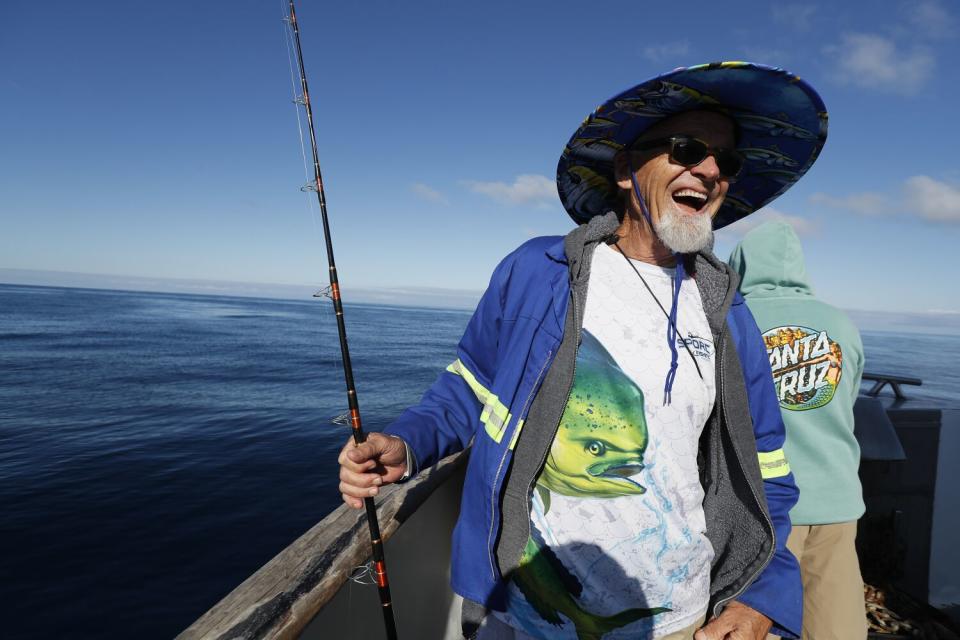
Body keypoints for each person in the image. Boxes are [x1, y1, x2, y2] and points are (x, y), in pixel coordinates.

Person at [339, 62, 829, 640]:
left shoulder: (729, 312)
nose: (711, 169)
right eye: (686, 148)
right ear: (625, 169)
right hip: (522, 615)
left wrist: (759, 599)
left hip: (680, 620)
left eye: (728, 160)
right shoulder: (537, 271)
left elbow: (766, 468)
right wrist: (407, 442)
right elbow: (469, 385)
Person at [728, 221, 867, 640]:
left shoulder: (734, 319)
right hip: (837, 503)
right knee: (836, 627)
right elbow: (848, 400)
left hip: (762, 507)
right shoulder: (841, 324)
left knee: (756, 623)